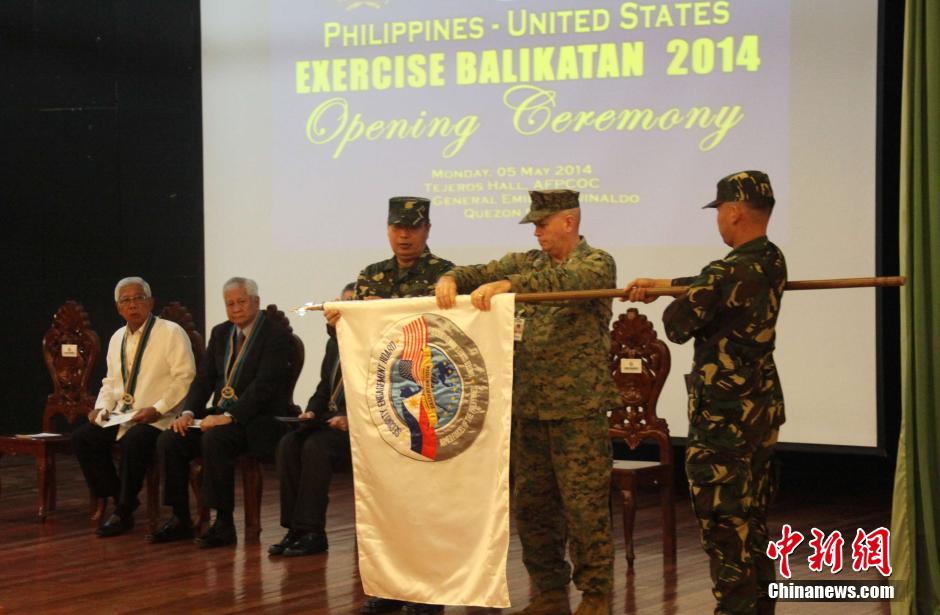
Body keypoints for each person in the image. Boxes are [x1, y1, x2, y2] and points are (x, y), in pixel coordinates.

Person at [435, 189, 617, 615]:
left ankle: (595, 595)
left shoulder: (597, 263)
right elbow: (477, 271)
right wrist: (451, 279)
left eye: (542, 223)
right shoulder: (526, 263)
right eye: (534, 225)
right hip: (528, 410)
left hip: (577, 411)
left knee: (584, 507)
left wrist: (510, 285)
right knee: (533, 508)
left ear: (568, 222)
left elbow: (569, 283)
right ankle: (550, 592)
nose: (536, 232)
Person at [625, 170, 786, 615]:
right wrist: (664, 284)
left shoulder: (726, 270)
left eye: (719, 211)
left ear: (733, 212)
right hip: (760, 409)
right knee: (751, 517)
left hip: (723, 418)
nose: (718, 220)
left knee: (723, 519)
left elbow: (677, 326)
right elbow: (712, 285)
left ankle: (734, 608)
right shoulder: (771, 259)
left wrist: (673, 297)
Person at [326, 197, 453, 615]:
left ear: (427, 229)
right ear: (387, 229)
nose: (404, 235)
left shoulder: (446, 276)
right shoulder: (371, 276)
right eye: (397, 227)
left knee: (426, 503)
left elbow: (455, 336)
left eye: (413, 227)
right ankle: (390, 586)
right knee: (386, 500)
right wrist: (337, 324)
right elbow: (359, 339)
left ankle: (428, 591)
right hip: (382, 402)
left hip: (429, 403)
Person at [147, 277, 291, 548]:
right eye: (230, 304)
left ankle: (223, 523)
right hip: (221, 414)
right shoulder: (221, 332)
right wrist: (189, 412)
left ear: (256, 302)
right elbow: (204, 379)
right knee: (171, 438)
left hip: (259, 419)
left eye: (241, 302)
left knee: (216, 438)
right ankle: (180, 518)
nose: (236, 309)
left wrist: (229, 416)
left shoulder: (275, 335)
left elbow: (265, 386)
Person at [72, 277, 196, 537]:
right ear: (118, 308)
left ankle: (123, 511)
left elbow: (184, 378)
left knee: (135, 440)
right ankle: (119, 497)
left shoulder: (170, 332)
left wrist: (158, 408)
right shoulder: (117, 338)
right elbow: (110, 382)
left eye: (138, 298)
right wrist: (101, 408)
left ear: (150, 302)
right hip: (123, 414)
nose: (132, 304)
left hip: (159, 417)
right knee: (84, 437)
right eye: (126, 300)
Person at [268, 283, 355, 558]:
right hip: (329, 421)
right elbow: (323, 388)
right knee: (289, 443)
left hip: (358, 426)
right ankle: (294, 529)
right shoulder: (335, 342)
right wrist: (311, 412)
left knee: (315, 447)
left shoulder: (377, 342)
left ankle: (313, 532)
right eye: (342, 304)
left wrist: (349, 417)